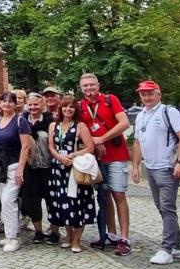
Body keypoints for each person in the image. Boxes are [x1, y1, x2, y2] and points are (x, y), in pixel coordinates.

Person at [131, 80, 180, 266]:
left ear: (159, 94)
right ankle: (178, 246)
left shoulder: (168, 111)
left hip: (167, 167)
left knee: (167, 207)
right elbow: (137, 142)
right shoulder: (141, 115)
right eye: (143, 94)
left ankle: (166, 249)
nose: (147, 97)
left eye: (150, 93)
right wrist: (135, 166)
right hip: (150, 167)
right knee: (162, 207)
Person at [79, 72, 132, 255]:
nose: (89, 88)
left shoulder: (110, 100)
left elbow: (124, 123)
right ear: (81, 87)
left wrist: (102, 138)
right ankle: (112, 234)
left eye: (92, 85)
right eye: (85, 85)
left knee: (119, 194)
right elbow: (82, 132)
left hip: (116, 155)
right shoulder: (81, 106)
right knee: (105, 196)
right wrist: (95, 142)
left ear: (98, 85)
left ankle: (125, 238)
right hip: (98, 159)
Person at [47, 97, 97, 253]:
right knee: (62, 203)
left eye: (71, 107)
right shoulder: (54, 125)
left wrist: (73, 155)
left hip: (74, 168)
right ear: (60, 109)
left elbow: (90, 147)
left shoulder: (80, 126)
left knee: (76, 203)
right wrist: (59, 157)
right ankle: (68, 236)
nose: (68, 110)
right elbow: (51, 146)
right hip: (58, 168)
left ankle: (77, 240)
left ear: (75, 110)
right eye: (65, 107)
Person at [0, 91, 32, 252]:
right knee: (4, 201)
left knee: (9, 200)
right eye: (4, 102)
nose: (6, 105)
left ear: (15, 104)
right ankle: (10, 233)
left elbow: (26, 146)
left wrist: (21, 168)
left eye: (10, 102)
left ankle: (13, 238)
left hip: (14, 165)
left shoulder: (20, 121)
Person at [22, 91, 59, 245]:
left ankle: (54, 231)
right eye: (30, 104)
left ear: (42, 105)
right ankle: (38, 231)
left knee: (53, 200)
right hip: (30, 168)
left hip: (48, 167)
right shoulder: (22, 121)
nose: (32, 107)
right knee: (33, 200)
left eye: (36, 104)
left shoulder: (51, 122)